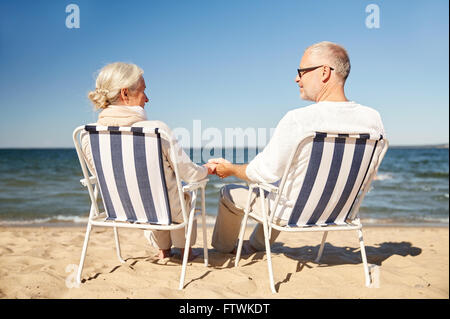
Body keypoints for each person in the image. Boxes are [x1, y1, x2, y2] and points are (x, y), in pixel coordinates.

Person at [209, 41, 385, 254]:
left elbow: (262, 173)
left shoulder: (299, 119)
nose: (296, 78)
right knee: (288, 185)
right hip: (339, 213)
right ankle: (256, 245)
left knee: (229, 193)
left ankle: (222, 251)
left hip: (292, 214)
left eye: (301, 72)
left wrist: (230, 170)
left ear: (324, 72)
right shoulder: (372, 119)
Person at [82, 62, 215, 260]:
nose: (147, 98)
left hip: (124, 211)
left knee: (151, 192)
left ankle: (163, 250)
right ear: (125, 94)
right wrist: (208, 169)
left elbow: (102, 177)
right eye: (143, 91)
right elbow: (190, 174)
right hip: (167, 213)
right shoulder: (156, 131)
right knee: (180, 195)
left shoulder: (87, 136)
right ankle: (186, 250)